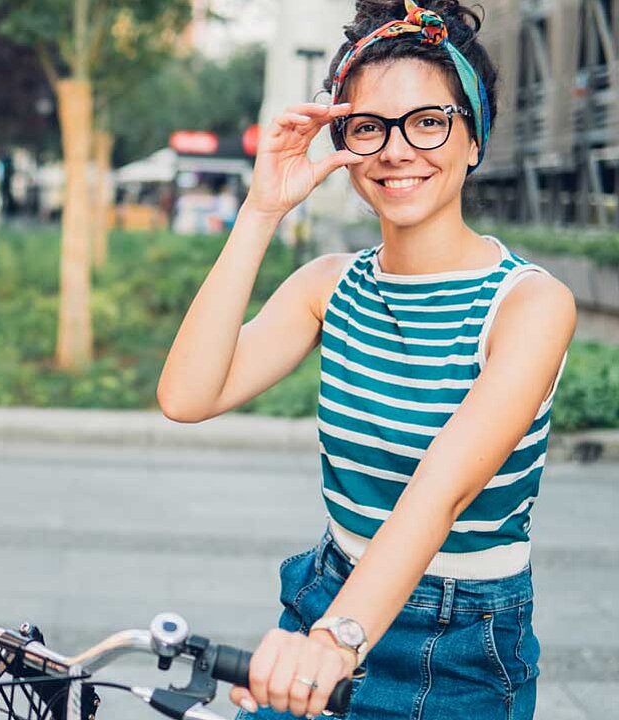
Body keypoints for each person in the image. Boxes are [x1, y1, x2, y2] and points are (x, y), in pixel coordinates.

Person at [156, 2, 574, 719]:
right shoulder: (329, 285)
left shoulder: (529, 305)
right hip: (329, 594)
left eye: (429, 122)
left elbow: (439, 493)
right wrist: (261, 209)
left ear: (474, 139)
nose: (396, 150)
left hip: (460, 643)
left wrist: (335, 641)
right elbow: (187, 396)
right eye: (368, 127)